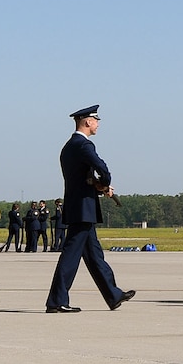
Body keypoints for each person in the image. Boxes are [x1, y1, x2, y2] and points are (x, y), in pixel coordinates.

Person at [46, 105, 135, 313]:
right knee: (70, 255)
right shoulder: (84, 145)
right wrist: (104, 183)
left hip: (80, 207)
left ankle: (113, 294)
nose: (98, 124)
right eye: (96, 120)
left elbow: (80, 177)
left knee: (94, 255)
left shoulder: (69, 146)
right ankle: (57, 301)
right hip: (82, 209)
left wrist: (96, 184)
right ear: (87, 122)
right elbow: (102, 167)